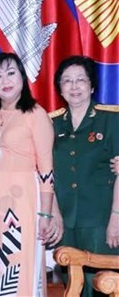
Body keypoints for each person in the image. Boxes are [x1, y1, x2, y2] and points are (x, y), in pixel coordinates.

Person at [0, 52, 58, 297]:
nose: (5, 80)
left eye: (11, 72)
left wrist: (46, 213)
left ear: (22, 78)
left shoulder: (35, 114)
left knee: (19, 264)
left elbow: (46, 168)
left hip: (22, 201)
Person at [50, 55, 119, 297]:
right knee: (74, 287)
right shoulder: (51, 124)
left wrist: (116, 218)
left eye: (81, 80)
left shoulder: (111, 120)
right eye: (67, 81)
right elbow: (47, 175)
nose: (74, 86)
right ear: (59, 87)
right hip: (66, 223)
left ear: (92, 86)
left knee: (104, 285)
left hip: (102, 222)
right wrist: (54, 214)